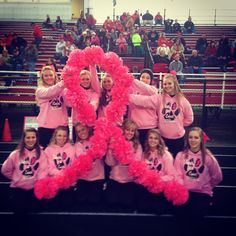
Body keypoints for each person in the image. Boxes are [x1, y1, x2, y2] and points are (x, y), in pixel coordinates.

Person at [129, 73, 194, 158]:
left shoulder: (183, 100)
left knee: (177, 161)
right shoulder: (159, 98)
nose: (167, 86)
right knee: (163, 160)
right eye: (165, 84)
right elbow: (144, 101)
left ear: (175, 83)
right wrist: (127, 96)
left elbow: (189, 118)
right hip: (163, 137)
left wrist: (178, 124)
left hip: (178, 138)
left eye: (169, 83)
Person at [174, 127, 222, 235]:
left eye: (196, 137)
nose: (193, 140)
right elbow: (177, 175)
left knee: (196, 215)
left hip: (202, 193)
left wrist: (205, 185)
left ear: (201, 140)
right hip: (184, 192)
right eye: (190, 137)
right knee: (179, 213)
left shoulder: (208, 157)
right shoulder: (180, 155)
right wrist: (183, 189)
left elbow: (217, 176)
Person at [1, 128, 48, 212]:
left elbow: (43, 171)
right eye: (28, 137)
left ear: (36, 139)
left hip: (34, 189)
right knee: (19, 212)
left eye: (33, 137)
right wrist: (17, 178)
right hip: (18, 189)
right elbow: (5, 170)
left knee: (35, 212)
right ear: (24, 139)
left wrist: (35, 182)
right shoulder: (15, 154)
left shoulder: (42, 154)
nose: (30, 140)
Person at [105, 119, 142, 211]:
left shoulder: (137, 146)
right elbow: (110, 163)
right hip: (115, 179)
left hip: (129, 181)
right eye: (128, 130)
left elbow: (137, 163)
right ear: (123, 130)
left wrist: (126, 158)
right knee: (111, 203)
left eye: (132, 131)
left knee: (127, 204)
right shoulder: (115, 142)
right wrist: (110, 149)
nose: (130, 133)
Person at [138, 129, 176, 213]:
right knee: (142, 208)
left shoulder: (166, 155)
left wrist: (158, 180)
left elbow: (171, 176)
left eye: (156, 138)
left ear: (159, 140)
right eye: (150, 138)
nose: (153, 140)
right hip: (147, 187)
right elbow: (141, 172)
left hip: (161, 188)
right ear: (147, 140)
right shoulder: (144, 154)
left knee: (158, 210)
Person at [35, 65, 69, 148]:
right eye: (46, 76)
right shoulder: (40, 90)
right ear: (42, 77)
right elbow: (50, 92)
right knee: (45, 153)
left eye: (51, 75)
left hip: (61, 127)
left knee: (62, 153)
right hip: (46, 128)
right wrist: (64, 82)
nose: (48, 77)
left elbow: (68, 104)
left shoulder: (62, 89)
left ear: (54, 76)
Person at [74, 122, 105, 209]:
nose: (81, 133)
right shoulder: (77, 145)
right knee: (81, 201)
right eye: (78, 131)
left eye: (83, 129)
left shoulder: (97, 140)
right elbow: (81, 158)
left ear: (88, 129)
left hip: (97, 177)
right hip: (83, 178)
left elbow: (102, 153)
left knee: (94, 201)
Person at [44, 126, 75, 209]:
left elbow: (74, 165)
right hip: (55, 182)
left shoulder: (72, 148)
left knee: (67, 204)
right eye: (59, 135)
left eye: (64, 136)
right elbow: (47, 167)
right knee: (53, 205)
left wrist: (68, 174)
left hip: (68, 182)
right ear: (55, 136)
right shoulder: (48, 150)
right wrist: (60, 173)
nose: (62, 138)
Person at [129, 68, 158, 147]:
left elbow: (142, 100)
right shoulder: (132, 91)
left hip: (150, 128)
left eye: (148, 78)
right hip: (135, 128)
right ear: (139, 78)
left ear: (151, 80)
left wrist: (131, 79)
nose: (145, 79)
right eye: (142, 77)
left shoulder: (154, 91)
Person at [71, 68, 99, 142]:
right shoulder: (74, 92)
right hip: (77, 125)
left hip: (90, 125)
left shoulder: (94, 93)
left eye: (87, 79)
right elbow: (70, 103)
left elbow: (94, 106)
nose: (85, 81)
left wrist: (82, 104)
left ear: (90, 80)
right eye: (83, 79)